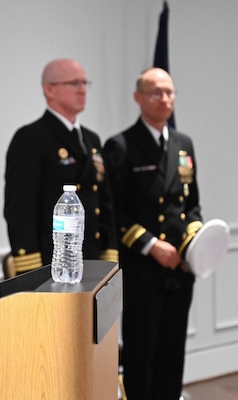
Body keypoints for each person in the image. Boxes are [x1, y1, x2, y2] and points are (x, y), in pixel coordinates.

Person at [103, 67, 202, 400]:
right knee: (141, 358)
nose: (165, 99)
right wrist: (151, 245)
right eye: (156, 92)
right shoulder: (120, 146)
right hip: (143, 270)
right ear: (138, 98)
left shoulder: (183, 144)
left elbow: (192, 207)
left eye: (170, 92)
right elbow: (114, 211)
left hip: (180, 270)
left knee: (172, 357)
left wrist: (193, 246)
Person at [4, 58, 118, 275]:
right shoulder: (30, 138)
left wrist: (109, 254)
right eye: (74, 83)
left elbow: (105, 204)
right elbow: (20, 210)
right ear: (50, 90)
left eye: (85, 83)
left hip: (92, 259)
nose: (83, 90)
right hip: (53, 264)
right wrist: (31, 270)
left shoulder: (91, 140)